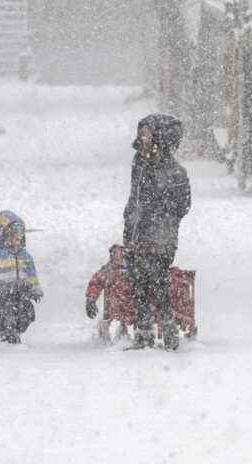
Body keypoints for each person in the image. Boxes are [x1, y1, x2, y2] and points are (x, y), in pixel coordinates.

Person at [123, 113, 191, 350]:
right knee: (137, 283)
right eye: (141, 134)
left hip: (161, 238)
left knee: (156, 282)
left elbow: (182, 207)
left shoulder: (175, 173)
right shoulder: (139, 163)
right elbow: (135, 197)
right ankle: (143, 330)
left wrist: (158, 220)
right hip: (137, 236)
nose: (142, 139)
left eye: (148, 134)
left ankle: (168, 325)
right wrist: (130, 223)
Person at [0, 210, 43, 344]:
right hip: (0, 292)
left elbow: (32, 274)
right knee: (4, 314)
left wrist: (35, 289)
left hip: (21, 291)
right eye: (11, 236)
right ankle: (9, 335)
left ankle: (14, 331)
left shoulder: (26, 256)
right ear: (3, 235)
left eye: (19, 236)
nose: (15, 239)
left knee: (26, 315)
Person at [85, 244, 135, 342]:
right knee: (110, 322)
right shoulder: (107, 270)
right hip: (112, 307)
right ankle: (106, 335)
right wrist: (91, 299)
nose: (117, 259)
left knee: (126, 324)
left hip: (130, 308)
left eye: (119, 256)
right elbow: (95, 283)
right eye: (114, 255)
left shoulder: (134, 270)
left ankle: (126, 336)